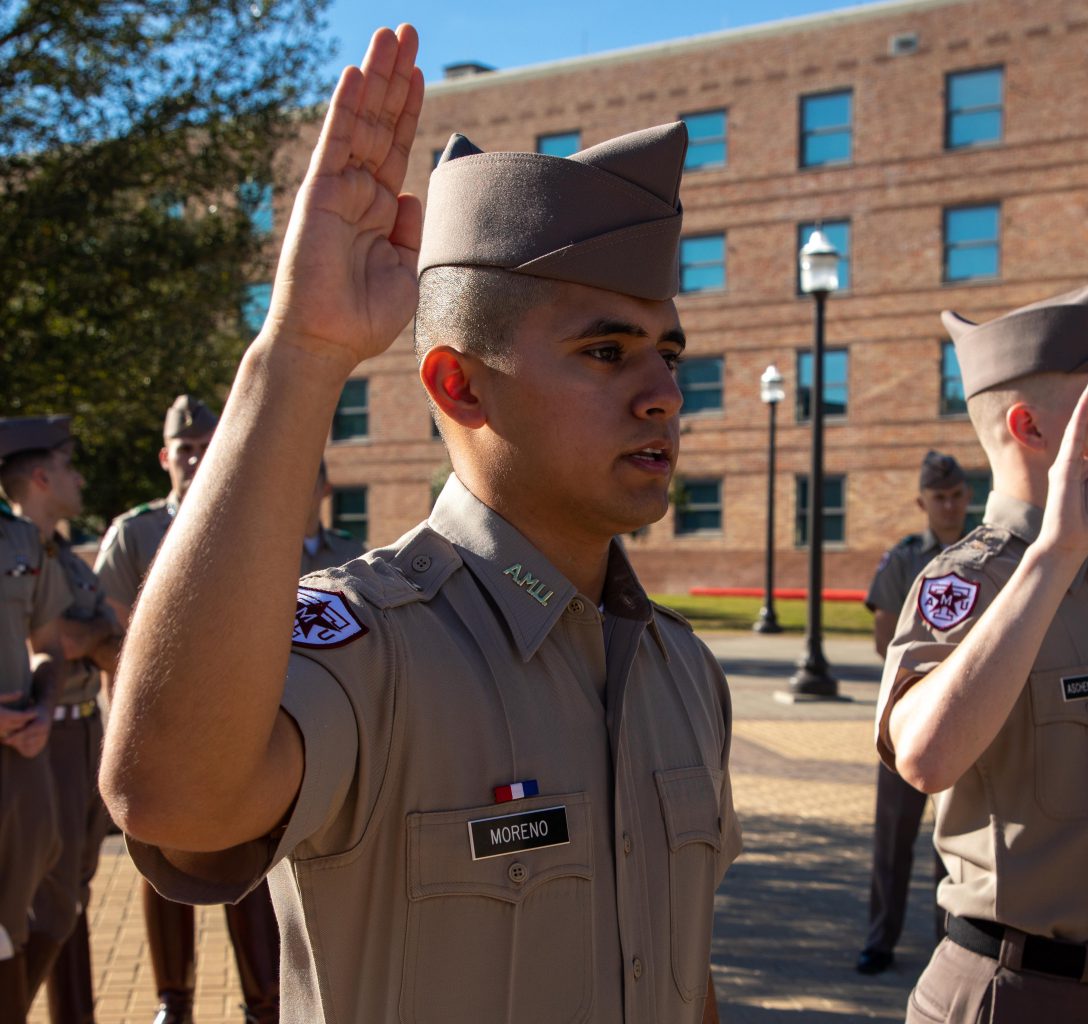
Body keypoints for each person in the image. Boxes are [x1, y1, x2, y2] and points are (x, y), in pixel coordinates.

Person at [101, 25, 740, 1023]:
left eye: (670, 352)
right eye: (608, 352)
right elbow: (173, 798)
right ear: (460, 383)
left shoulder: (683, 671)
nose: (664, 391)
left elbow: (679, 972)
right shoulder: (371, 648)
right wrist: (301, 354)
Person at [878, 265, 1088, 1023]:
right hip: (1014, 995)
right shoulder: (972, 579)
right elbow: (925, 757)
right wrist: (1053, 558)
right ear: (1031, 428)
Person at [94, 394, 282, 1024]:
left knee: (245, 863)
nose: (197, 456)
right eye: (185, 448)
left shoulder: (250, 524)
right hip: (156, 737)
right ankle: (173, 1001)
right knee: (161, 866)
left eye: (207, 443)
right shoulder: (135, 532)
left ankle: (264, 1002)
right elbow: (110, 641)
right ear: (164, 458)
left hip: (240, 731)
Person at [0, 416, 122, 1023]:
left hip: (71, 729)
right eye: (70, 466)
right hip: (37, 741)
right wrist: (91, 636)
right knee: (37, 903)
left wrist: (88, 638)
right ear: (42, 476)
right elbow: (66, 639)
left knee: (65, 894)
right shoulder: (22, 549)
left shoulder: (63, 562)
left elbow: (103, 642)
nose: (80, 478)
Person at [856, 450, 968, 975]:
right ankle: (881, 940)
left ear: (967, 498)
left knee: (960, 838)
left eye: (956, 495)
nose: (948, 505)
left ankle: (954, 941)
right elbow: (884, 639)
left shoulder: (983, 555)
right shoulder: (903, 559)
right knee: (894, 837)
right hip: (907, 717)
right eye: (938, 497)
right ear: (922, 501)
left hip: (969, 717)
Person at [0, 421, 72, 1020]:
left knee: (51, 908)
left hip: (23, 752)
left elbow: (46, 642)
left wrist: (44, 705)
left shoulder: (23, 541)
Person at [300, 461, 365, 576]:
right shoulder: (267, 552)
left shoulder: (352, 552)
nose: (300, 494)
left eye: (309, 486)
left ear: (326, 489)